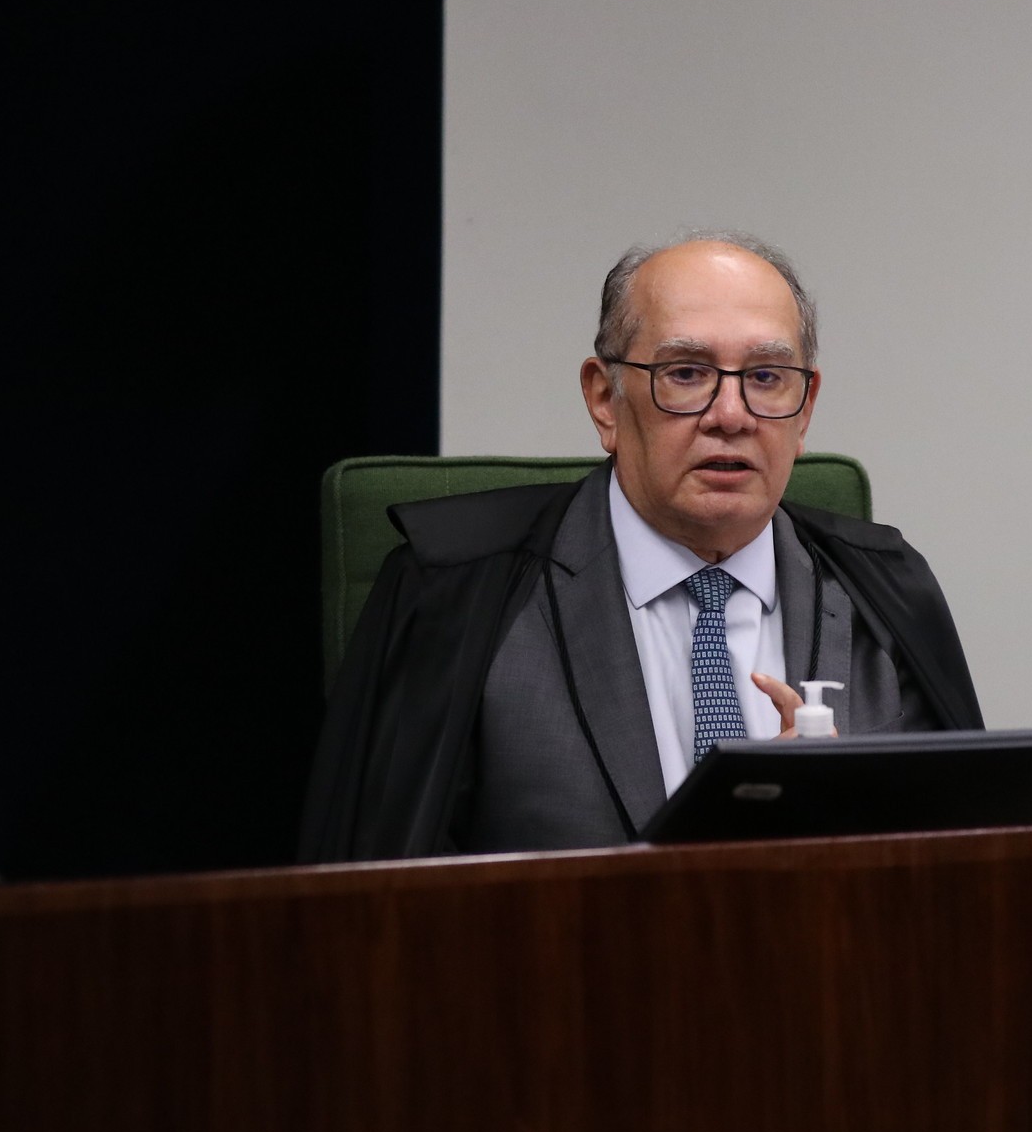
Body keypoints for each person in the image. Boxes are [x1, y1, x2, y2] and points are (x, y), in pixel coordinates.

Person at [300, 233, 981, 860]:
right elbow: (370, 902)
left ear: (804, 411)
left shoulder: (886, 592)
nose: (731, 415)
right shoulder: (452, 588)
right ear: (605, 399)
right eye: (686, 373)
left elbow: (967, 868)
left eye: (767, 377)